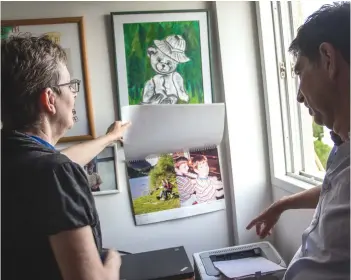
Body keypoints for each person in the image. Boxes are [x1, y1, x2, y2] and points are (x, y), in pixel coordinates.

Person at [2, 35, 131, 280]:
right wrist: (112, 262)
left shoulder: (18, 157)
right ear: (50, 99)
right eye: (70, 86)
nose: (74, 94)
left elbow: (63, 161)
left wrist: (110, 138)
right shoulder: (54, 172)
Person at [246, 2, 350, 280]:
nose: (299, 96)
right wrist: (282, 204)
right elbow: (336, 191)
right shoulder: (344, 150)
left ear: (327, 59)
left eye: (300, 71)